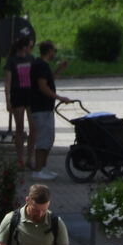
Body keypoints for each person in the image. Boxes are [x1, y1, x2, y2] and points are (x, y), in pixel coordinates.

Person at [30, 40, 71, 180]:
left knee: (48, 138)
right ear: (49, 51)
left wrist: (59, 69)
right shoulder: (40, 65)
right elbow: (43, 87)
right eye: (54, 51)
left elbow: (49, 80)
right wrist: (59, 97)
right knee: (43, 140)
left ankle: (43, 168)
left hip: (45, 107)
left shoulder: (43, 65)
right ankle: (38, 170)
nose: (55, 53)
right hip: (40, 107)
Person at [3, 35, 35, 170]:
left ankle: (30, 158)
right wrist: (8, 100)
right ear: (24, 47)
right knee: (20, 128)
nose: (31, 49)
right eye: (30, 46)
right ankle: (20, 159)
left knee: (34, 127)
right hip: (17, 95)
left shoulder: (31, 59)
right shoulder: (11, 61)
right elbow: (7, 83)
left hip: (31, 94)